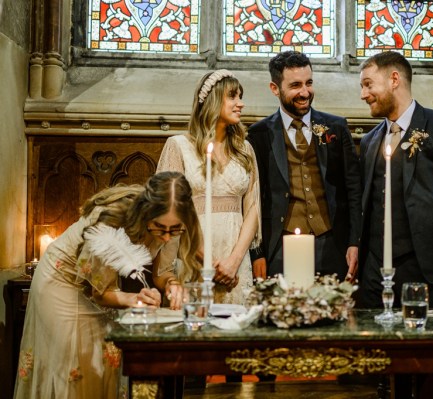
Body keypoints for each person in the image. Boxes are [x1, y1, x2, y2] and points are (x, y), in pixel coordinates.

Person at [13, 171, 201, 399]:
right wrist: (135, 299)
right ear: (147, 212)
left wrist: (172, 284)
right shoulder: (110, 221)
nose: (167, 237)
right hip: (63, 281)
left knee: (106, 362)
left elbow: (161, 273)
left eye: (175, 230)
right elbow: (101, 292)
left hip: (102, 285)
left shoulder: (170, 222)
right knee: (77, 366)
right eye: (160, 229)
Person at [358, 51, 433, 309]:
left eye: (368, 84)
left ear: (394, 79)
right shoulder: (369, 141)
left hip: (428, 273)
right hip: (373, 277)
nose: (363, 94)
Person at [247, 51, 362, 283]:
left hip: (332, 243)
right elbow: (253, 198)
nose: (305, 92)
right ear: (274, 88)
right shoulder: (259, 134)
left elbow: (354, 190)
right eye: (295, 85)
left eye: (309, 83)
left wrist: (354, 242)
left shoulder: (336, 128)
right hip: (280, 245)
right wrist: (256, 253)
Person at [156, 69, 261, 305]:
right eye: (232, 96)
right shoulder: (178, 146)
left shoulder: (245, 150)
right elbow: (171, 211)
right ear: (213, 100)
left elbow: (253, 206)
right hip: (193, 254)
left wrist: (233, 262)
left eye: (240, 97)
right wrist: (209, 263)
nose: (240, 104)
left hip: (235, 255)